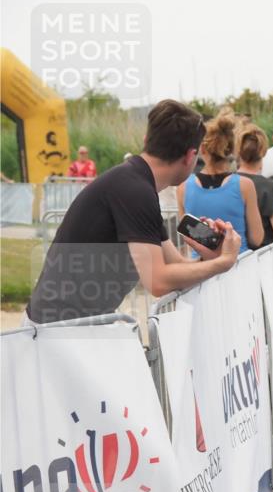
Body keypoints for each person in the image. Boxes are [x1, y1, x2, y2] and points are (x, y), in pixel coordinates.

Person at [26, 99, 241, 324]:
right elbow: (158, 281)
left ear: (146, 140)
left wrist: (210, 258)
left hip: (66, 324)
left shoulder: (136, 182)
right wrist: (223, 262)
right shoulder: (136, 190)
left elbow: (174, 265)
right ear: (190, 156)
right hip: (57, 329)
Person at [177, 110, 264, 254]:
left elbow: (187, 238)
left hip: (200, 269)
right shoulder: (245, 185)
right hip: (237, 264)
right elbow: (257, 238)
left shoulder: (183, 187)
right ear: (232, 149)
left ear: (202, 149)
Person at [237, 124, 273, 244]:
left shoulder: (226, 182)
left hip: (233, 256)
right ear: (263, 152)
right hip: (263, 256)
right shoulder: (268, 188)